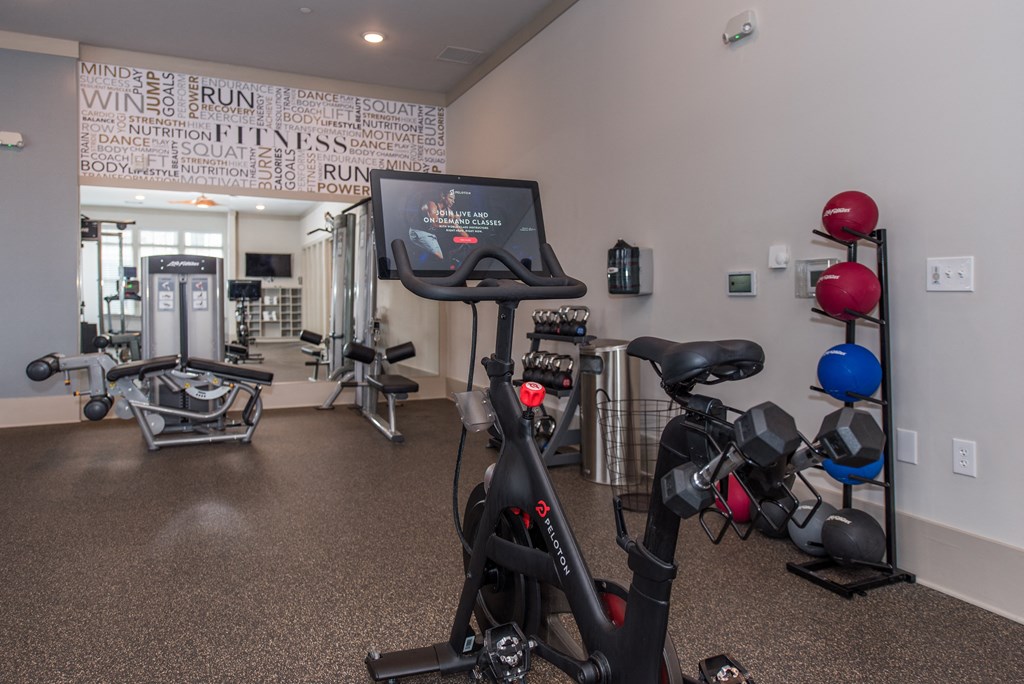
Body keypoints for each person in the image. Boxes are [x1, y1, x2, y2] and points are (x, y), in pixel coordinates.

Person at [409, 187, 468, 264]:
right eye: (450, 198)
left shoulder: (449, 212)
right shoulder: (432, 205)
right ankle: (417, 257)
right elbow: (435, 223)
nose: (453, 201)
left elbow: (458, 228)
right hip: (418, 232)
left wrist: (468, 239)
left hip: (431, 235)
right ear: (443, 196)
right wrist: (452, 220)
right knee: (439, 257)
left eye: (454, 199)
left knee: (445, 253)